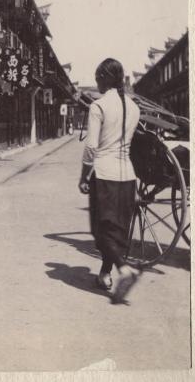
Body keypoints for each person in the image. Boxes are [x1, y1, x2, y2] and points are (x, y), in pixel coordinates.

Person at [78, 58, 141, 304]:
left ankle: (124, 269)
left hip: (104, 174)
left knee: (100, 228)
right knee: (118, 229)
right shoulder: (134, 108)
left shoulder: (99, 106)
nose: (96, 83)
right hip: (128, 174)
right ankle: (105, 275)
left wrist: (84, 177)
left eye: (97, 78)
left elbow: (91, 147)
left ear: (105, 78)